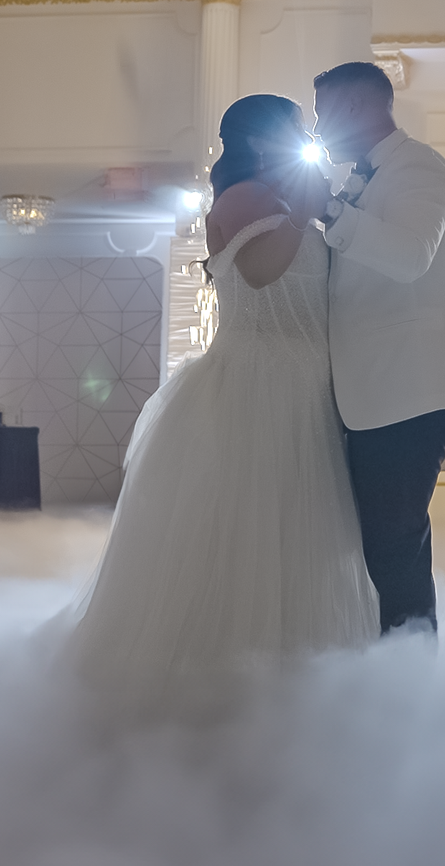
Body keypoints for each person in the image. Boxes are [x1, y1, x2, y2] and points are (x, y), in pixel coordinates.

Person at [58, 94, 376, 715]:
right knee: (252, 529)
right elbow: (260, 271)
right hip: (260, 378)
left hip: (309, 378)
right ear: (262, 141)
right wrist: (308, 207)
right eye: (296, 129)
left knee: (304, 530)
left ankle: (306, 666)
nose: (306, 137)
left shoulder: (288, 202)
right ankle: (231, 679)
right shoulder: (241, 200)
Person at [313, 61, 445, 635]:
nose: (315, 128)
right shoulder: (370, 175)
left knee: (392, 544)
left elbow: (410, 257)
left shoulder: (420, 167)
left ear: (356, 108)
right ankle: (387, 669)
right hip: (382, 388)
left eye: (320, 113)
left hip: (412, 387)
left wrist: (328, 209)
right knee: (381, 542)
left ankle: (407, 686)